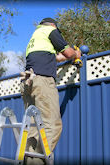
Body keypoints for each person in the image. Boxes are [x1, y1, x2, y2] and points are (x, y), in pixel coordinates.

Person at [20, 18, 81, 165]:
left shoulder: (35, 38)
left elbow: (56, 58)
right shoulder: (51, 30)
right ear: (53, 25)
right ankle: (37, 162)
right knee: (52, 125)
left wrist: (70, 54)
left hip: (27, 82)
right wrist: (76, 54)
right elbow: (67, 53)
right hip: (42, 81)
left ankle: (28, 161)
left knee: (33, 127)